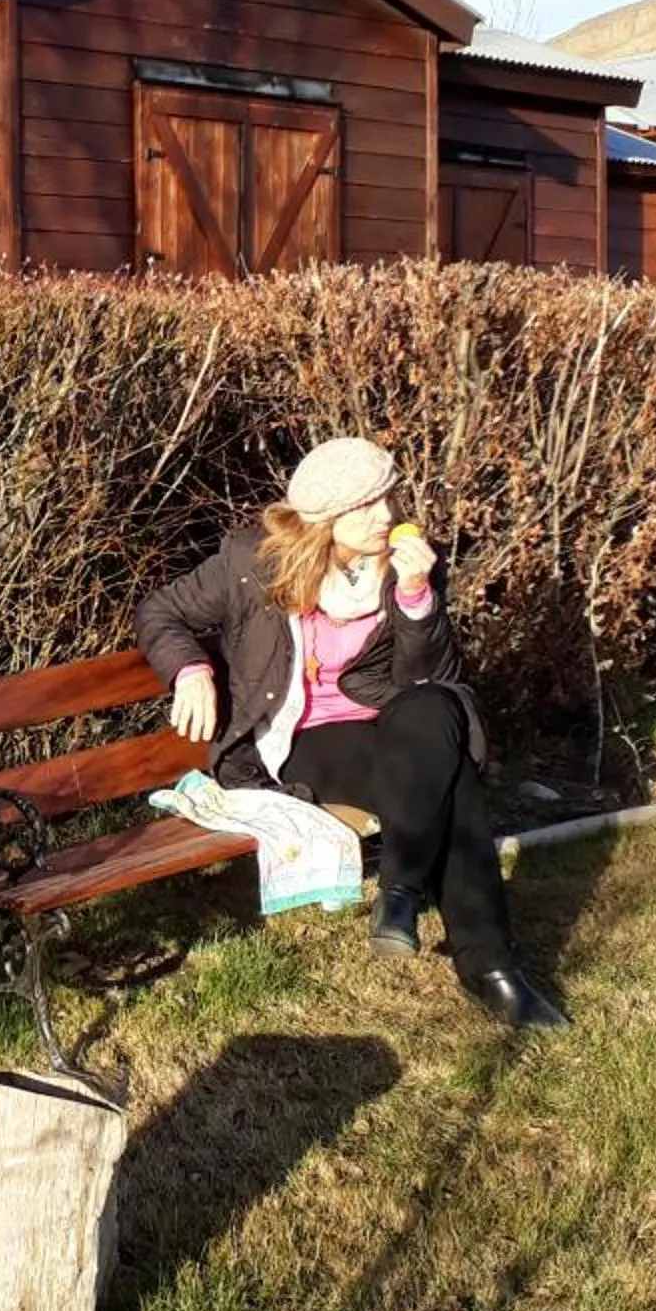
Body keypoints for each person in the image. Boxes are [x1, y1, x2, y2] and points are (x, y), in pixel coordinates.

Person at [134, 435, 566, 1032]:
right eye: (366, 507)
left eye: (388, 497)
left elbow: (430, 679)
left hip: (396, 727)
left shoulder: (405, 568)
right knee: (453, 785)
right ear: (327, 520)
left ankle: (402, 891)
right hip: (302, 741)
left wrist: (416, 601)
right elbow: (160, 611)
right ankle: (489, 967)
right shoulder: (251, 564)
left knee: (436, 712)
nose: (387, 515)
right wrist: (191, 670)